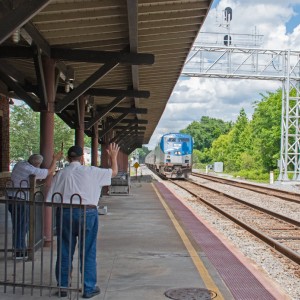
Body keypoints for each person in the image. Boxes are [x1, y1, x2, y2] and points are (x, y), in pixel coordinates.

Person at [46, 143, 119, 298]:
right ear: (82, 158)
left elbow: (50, 199)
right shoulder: (92, 171)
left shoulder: (60, 174)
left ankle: (63, 287)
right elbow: (114, 172)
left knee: (64, 249)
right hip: (88, 212)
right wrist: (113, 157)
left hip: (65, 212)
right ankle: (88, 287)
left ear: (67, 157)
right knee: (88, 250)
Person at [8, 152, 63, 259]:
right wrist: (55, 159)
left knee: (19, 224)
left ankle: (19, 248)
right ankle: (19, 251)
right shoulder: (30, 169)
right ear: (37, 164)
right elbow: (49, 171)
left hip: (12, 197)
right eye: (39, 165)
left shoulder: (21, 164)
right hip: (20, 199)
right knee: (22, 225)